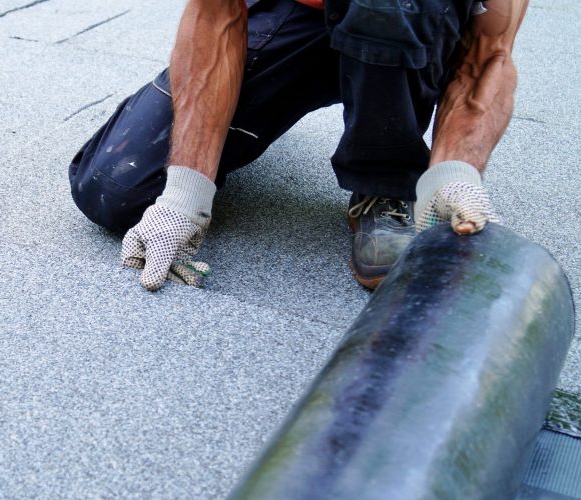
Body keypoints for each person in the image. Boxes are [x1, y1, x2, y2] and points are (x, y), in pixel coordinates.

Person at [68, 0, 527, 291]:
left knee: (391, 6)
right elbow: (216, 14)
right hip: (298, 18)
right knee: (115, 189)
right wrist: (185, 194)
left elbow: (491, 51)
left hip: (409, 32)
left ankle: (382, 182)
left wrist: (454, 172)